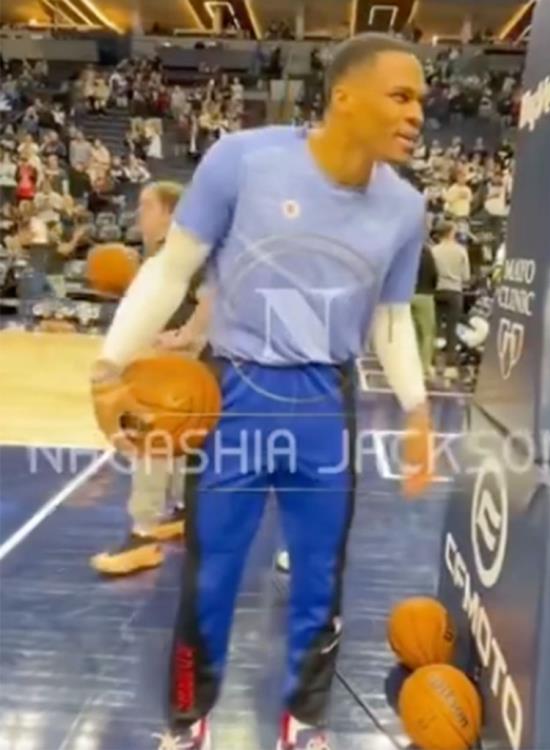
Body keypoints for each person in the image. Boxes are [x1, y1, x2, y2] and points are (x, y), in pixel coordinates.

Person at [91, 33, 432, 750]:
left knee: (318, 582)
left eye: (422, 102)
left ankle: (305, 723)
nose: (417, 114)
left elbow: (392, 318)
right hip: (234, 398)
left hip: (325, 405)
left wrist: (417, 408)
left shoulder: (405, 208)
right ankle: (187, 723)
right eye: (401, 96)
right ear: (345, 96)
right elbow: (169, 271)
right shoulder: (244, 160)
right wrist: (109, 364)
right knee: (209, 580)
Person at [91, 181, 212, 576]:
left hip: (187, 364)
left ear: (170, 213)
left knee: (149, 438)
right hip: (184, 364)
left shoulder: (187, 252)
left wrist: (189, 334)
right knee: (178, 441)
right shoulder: (165, 254)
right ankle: (181, 508)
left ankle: (143, 533)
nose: (138, 214)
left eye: (146, 206)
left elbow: (216, 295)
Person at [431, 222, 471, 378]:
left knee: (433, 328)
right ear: (451, 233)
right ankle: (450, 366)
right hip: (455, 292)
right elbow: (466, 276)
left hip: (437, 290)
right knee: (451, 329)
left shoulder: (433, 251)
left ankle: (432, 362)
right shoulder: (461, 251)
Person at [411, 243, 438, 376]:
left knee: (413, 332)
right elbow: (434, 275)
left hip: (407, 295)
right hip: (425, 295)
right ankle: (424, 367)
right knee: (427, 333)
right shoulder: (427, 253)